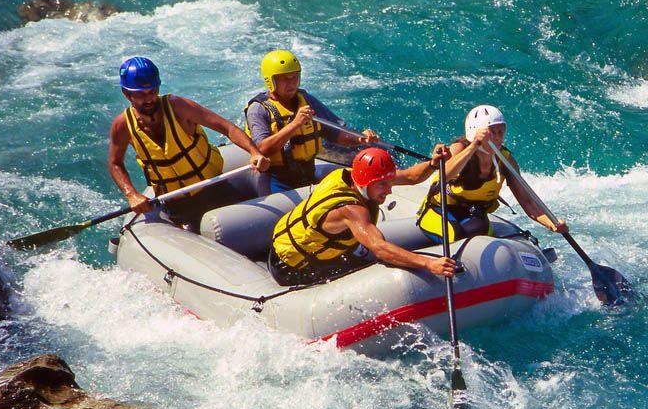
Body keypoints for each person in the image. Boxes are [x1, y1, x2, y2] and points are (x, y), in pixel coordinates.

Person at [108, 57, 270, 228]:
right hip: (175, 202)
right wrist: (131, 194)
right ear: (127, 94)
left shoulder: (179, 107)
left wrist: (254, 152)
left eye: (152, 91)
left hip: (214, 188)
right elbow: (115, 163)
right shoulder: (122, 126)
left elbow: (227, 128)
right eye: (141, 94)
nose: (149, 99)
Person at [270, 147, 455, 287]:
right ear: (366, 183)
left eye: (388, 182)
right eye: (383, 185)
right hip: (293, 267)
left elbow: (410, 177)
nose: (389, 190)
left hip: (301, 244)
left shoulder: (355, 177)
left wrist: (432, 164)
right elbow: (381, 249)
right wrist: (430, 264)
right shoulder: (352, 211)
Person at [416, 104, 567, 243]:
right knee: (455, 235)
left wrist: (551, 224)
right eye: (492, 133)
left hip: (472, 213)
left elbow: (527, 202)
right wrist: (474, 145)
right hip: (439, 210)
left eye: (501, 132)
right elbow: (445, 175)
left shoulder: (506, 161)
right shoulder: (459, 149)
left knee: (479, 232)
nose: (497, 138)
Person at [243, 50, 381, 193]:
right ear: (271, 81)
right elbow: (261, 150)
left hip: (308, 173)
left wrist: (360, 139)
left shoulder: (307, 100)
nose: (291, 83)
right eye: (285, 78)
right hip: (275, 180)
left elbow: (336, 134)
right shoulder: (258, 109)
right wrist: (295, 124)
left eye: (294, 77)